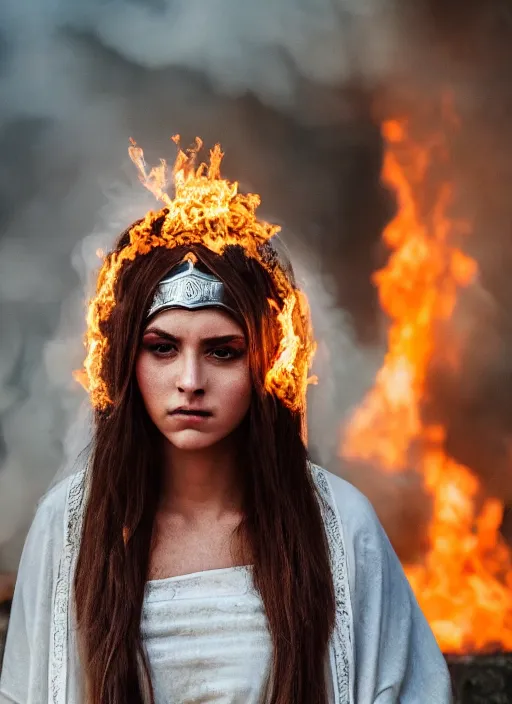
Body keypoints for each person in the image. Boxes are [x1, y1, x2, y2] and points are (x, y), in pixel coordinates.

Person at [0, 139, 452, 704]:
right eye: (162, 349)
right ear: (124, 361)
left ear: (269, 364)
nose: (190, 380)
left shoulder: (342, 528)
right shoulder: (68, 528)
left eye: (223, 352)